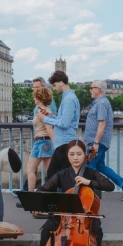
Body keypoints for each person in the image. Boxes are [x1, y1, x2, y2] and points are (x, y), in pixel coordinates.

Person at [24, 140, 115, 246]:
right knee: (47, 230)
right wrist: (37, 200)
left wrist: (89, 182)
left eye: (79, 154)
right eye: (72, 154)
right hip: (65, 216)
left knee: (96, 231)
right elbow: (44, 189)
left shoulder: (91, 172)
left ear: (85, 155)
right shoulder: (62, 174)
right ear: (67, 156)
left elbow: (110, 185)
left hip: (85, 217)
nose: (75, 158)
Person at [18, 71, 79, 208]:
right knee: (54, 173)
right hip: (61, 142)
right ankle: (51, 202)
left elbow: (64, 123)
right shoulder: (67, 98)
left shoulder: (69, 99)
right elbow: (62, 120)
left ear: (61, 83)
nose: (54, 88)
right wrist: (51, 115)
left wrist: (46, 119)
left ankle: (61, 203)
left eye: (55, 85)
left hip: (64, 142)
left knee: (62, 175)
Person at [84, 80, 123, 200]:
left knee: (89, 168)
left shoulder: (101, 103)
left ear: (99, 89)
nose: (90, 90)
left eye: (91, 88)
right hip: (98, 142)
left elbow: (102, 124)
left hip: (96, 143)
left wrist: (95, 143)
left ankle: (88, 196)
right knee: (100, 166)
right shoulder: (101, 102)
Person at [24, 85, 55, 192]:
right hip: (47, 142)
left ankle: (30, 195)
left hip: (40, 141)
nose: (33, 99)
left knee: (30, 170)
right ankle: (53, 195)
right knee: (49, 172)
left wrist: (56, 143)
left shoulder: (42, 111)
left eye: (35, 97)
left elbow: (49, 127)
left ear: (39, 98)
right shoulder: (48, 110)